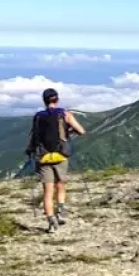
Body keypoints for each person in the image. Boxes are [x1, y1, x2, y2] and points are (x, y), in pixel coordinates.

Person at [26, 87, 85, 232]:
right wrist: (68, 132)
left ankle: (51, 221)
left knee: (47, 192)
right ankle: (61, 212)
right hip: (61, 155)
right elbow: (82, 131)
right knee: (61, 185)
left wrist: (30, 151)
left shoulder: (38, 116)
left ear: (44, 101)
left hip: (43, 157)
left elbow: (34, 136)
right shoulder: (65, 114)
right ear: (57, 99)